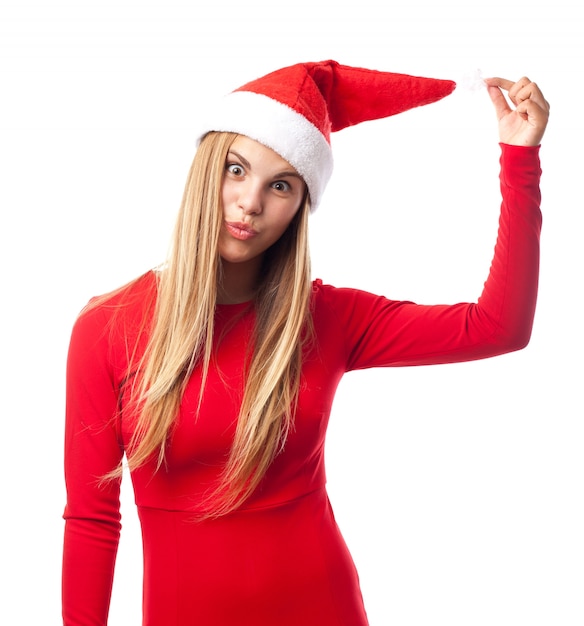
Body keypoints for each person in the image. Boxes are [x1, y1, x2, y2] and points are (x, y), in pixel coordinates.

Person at [62, 60, 549, 625]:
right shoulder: (108, 327)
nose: (249, 203)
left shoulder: (325, 318)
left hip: (321, 606)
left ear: (300, 206)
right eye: (236, 169)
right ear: (204, 171)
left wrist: (520, 161)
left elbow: (498, 326)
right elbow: (93, 519)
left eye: (281, 184)